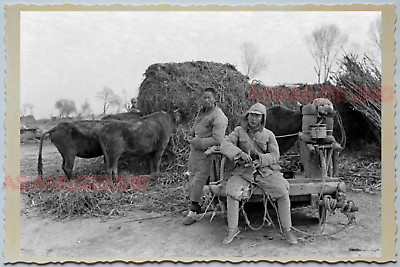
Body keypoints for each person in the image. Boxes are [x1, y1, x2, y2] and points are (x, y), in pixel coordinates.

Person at [219, 103, 298, 245]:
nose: (253, 118)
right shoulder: (238, 131)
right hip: (244, 172)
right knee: (232, 191)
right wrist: (240, 153)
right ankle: (232, 229)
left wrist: (261, 160)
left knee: (282, 190)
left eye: (257, 115)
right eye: (251, 114)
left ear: (263, 118)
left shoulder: (269, 135)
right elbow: (224, 145)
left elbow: (275, 155)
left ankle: (287, 229)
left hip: (265, 171)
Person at [182, 87, 228, 225]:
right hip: (195, 152)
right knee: (191, 176)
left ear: (215, 99)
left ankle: (194, 211)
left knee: (199, 180)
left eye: (209, 97)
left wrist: (196, 142)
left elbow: (217, 140)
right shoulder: (202, 113)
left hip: (207, 153)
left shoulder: (219, 116)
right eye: (204, 97)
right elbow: (196, 127)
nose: (206, 100)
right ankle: (193, 205)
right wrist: (190, 135)